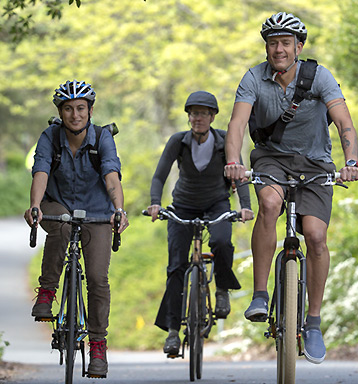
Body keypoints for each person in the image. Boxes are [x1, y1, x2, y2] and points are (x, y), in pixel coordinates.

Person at [224, 12, 358, 364]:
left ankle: (313, 321)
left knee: (315, 236)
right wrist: (234, 161)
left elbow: (344, 121)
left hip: (315, 163)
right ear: (267, 47)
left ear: (298, 46)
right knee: (269, 204)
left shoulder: (319, 76)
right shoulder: (254, 77)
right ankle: (259, 294)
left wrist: (350, 163)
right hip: (272, 159)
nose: (279, 49)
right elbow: (237, 124)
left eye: (286, 42)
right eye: (273, 43)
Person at [24, 80, 129, 377]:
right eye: (68, 109)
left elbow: (111, 174)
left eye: (81, 108)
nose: (75, 115)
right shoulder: (50, 137)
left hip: (98, 213)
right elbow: (41, 170)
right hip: (56, 206)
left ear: (90, 110)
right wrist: (35, 205)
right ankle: (46, 292)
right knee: (63, 227)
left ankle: (97, 345)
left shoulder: (103, 138)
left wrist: (119, 209)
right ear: (61, 111)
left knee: (97, 278)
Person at [147, 91, 253, 356]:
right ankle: (173, 331)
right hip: (182, 205)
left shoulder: (224, 141)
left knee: (220, 242)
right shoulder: (178, 142)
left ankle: (223, 290)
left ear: (212, 116)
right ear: (189, 117)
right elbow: (160, 175)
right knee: (176, 267)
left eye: (204, 113)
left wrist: (245, 206)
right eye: (194, 113)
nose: (198, 118)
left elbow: (237, 172)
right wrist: (155, 202)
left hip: (216, 204)